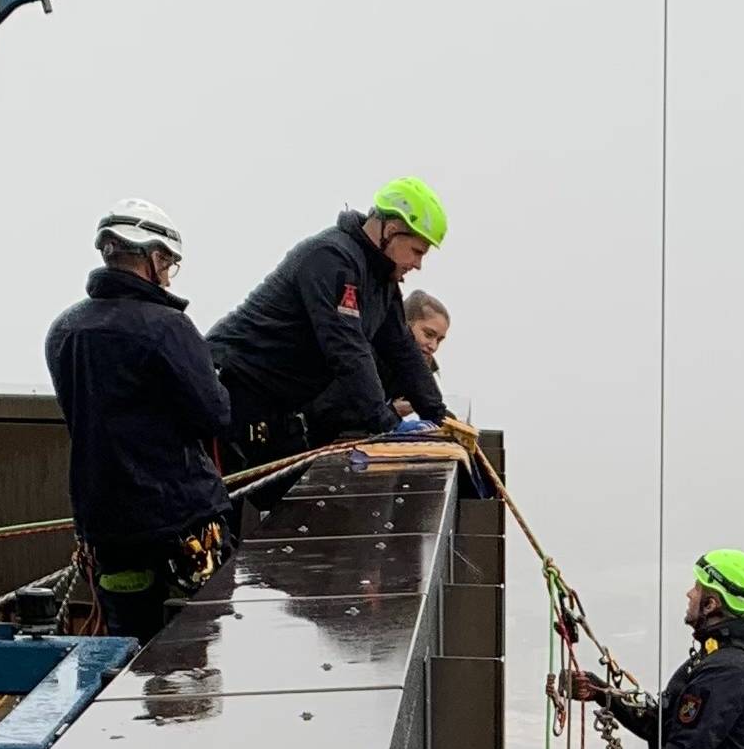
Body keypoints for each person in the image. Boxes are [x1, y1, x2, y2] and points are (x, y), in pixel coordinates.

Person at [43, 199, 233, 643]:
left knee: (125, 649)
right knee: (199, 649)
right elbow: (215, 414)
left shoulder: (65, 330)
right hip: (181, 521)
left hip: (108, 531)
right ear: (154, 257)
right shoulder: (168, 327)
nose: (168, 276)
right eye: (168, 264)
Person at [207, 178, 457, 486]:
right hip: (235, 393)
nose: (418, 264)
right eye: (417, 251)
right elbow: (347, 348)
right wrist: (387, 425)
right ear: (392, 231)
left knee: (294, 503)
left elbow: (402, 350)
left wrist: (440, 416)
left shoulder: (381, 280)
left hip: (281, 410)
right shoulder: (332, 259)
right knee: (230, 510)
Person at [570, 550, 744, 749]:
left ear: (710, 604)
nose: (689, 594)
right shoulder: (716, 659)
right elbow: (661, 726)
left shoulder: (728, 671)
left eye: (697, 588)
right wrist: (600, 691)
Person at [305, 288, 454, 444]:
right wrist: (392, 412)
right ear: (405, 326)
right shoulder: (366, 359)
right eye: (429, 334)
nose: (433, 346)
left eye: (439, 340)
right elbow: (333, 411)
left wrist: (450, 425)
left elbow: (432, 405)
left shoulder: (420, 372)